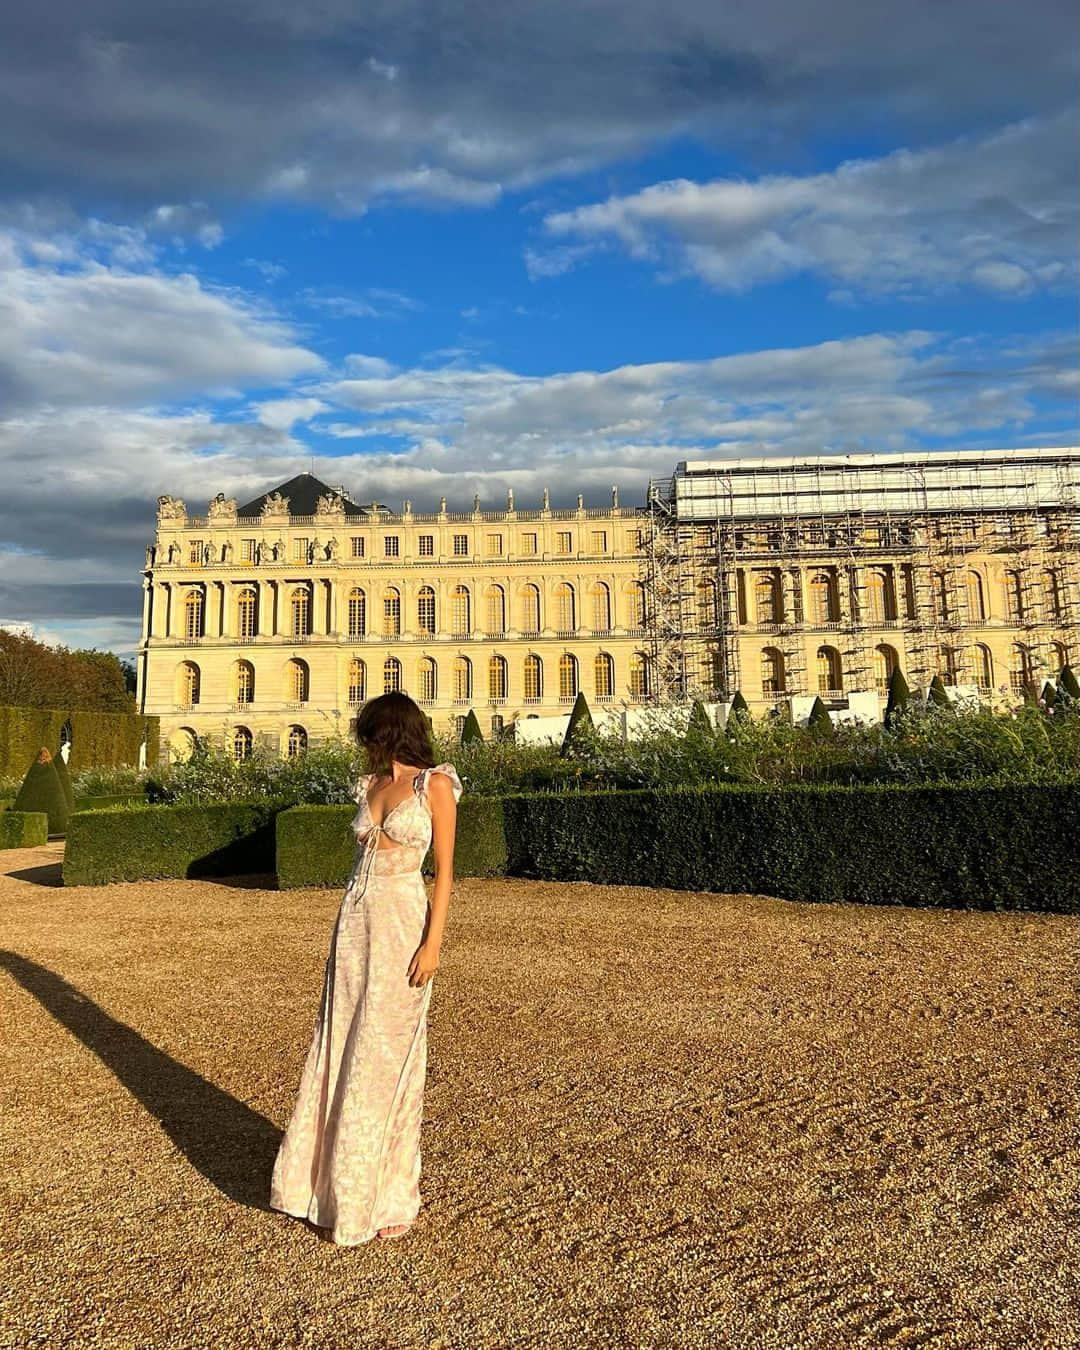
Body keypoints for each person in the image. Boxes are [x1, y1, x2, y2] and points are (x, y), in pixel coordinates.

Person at [269, 692, 462, 1244]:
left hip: (403, 919)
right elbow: (361, 862)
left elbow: (445, 874)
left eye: (370, 735)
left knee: (387, 1053)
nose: (365, 746)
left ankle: (386, 1193)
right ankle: (321, 1186)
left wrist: (434, 944)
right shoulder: (369, 785)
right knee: (338, 1044)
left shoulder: (436, 786)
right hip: (355, 923)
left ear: (389, 732)